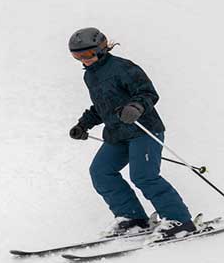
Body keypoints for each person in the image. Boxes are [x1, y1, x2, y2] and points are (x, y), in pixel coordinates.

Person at [67, 27, 197, 239]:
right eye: (76, 56)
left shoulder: (123, 68)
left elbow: (148, 93)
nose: (83, 60)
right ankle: (133, 219)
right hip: (117, 135)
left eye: (87, 54)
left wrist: (135, 107)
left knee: (144, 176)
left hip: (143, 130)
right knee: (101, 172)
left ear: (101, 49)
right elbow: (101, 107)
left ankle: (179, 221)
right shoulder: (90, 76)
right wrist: (83, 125)